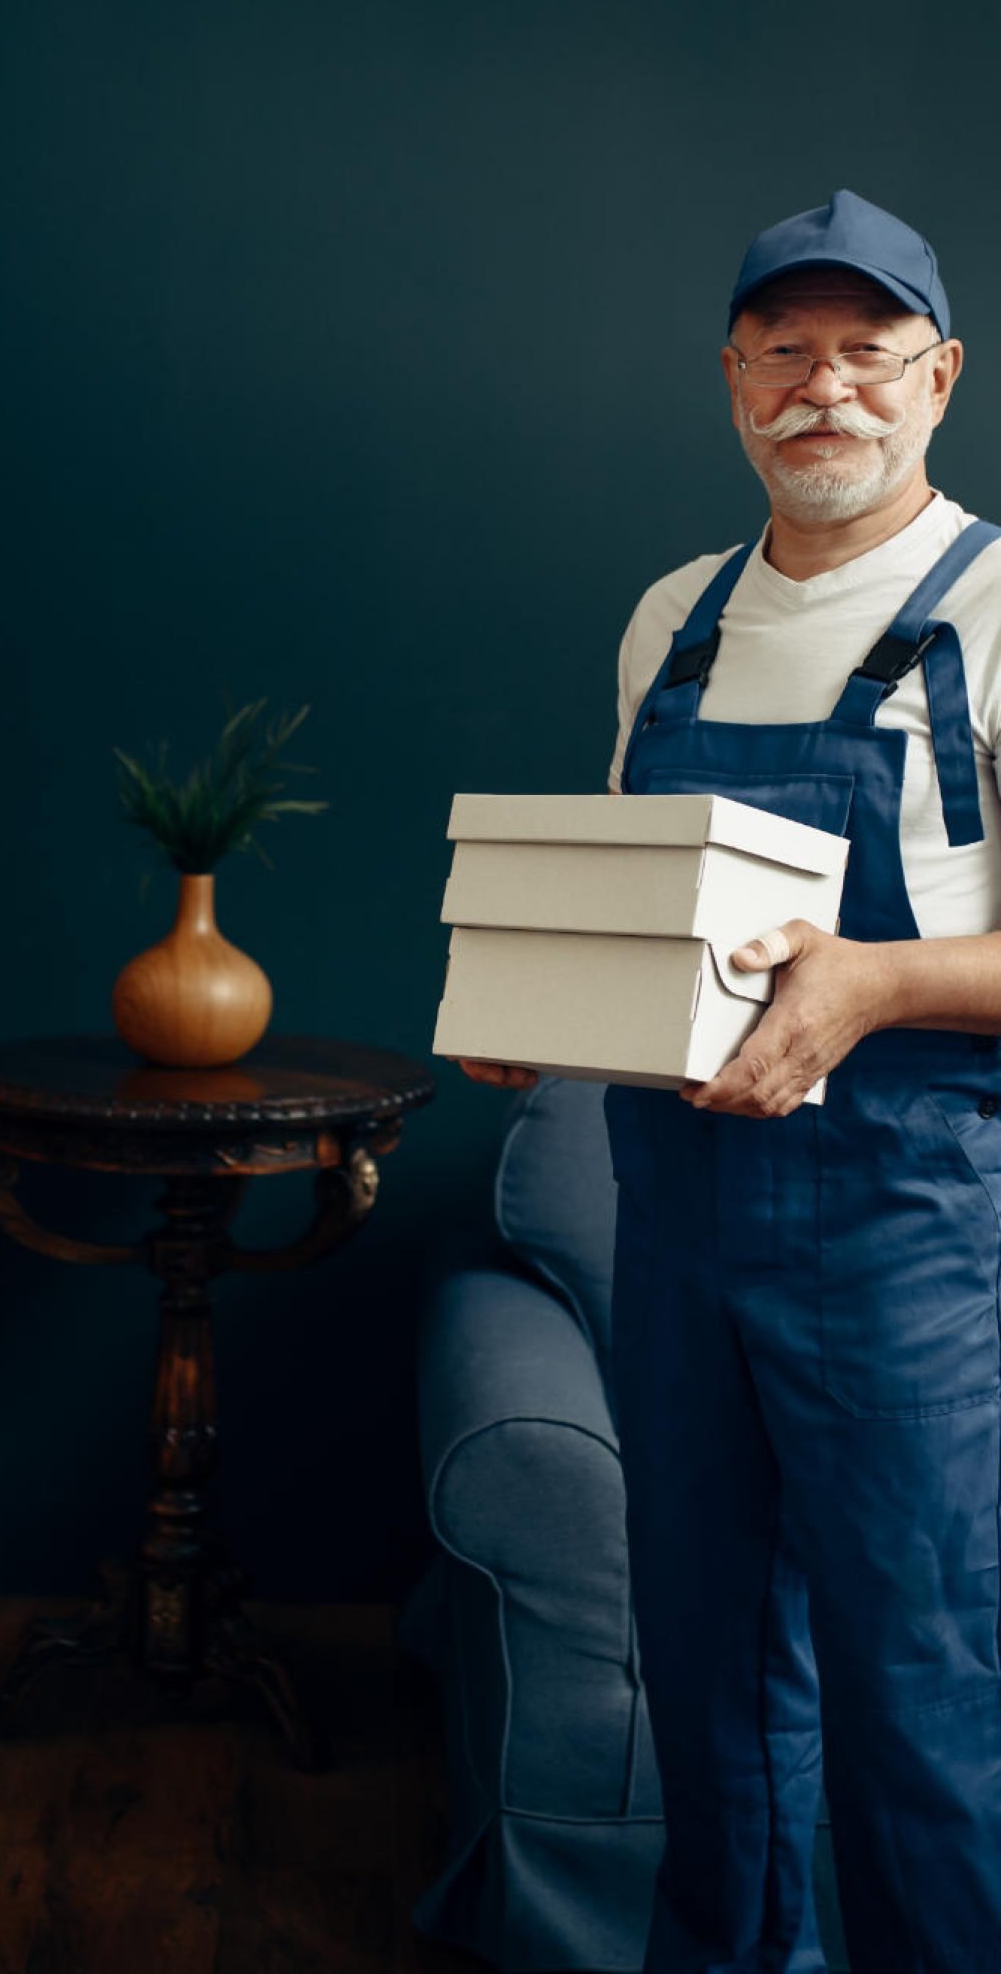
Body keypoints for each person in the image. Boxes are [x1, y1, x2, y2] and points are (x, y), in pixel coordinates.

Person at [455, 188, 1001, 1973]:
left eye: (865, 352)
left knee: (917, 1673)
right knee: (704, 1664)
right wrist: (543, 993)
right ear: (732, 379)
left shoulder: (992, 610)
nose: (822, 386)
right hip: (671, 1203)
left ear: (939, 380)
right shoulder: (670, 619)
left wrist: (877, 986)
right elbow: (642, 905)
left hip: (905, 1220)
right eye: (787, 349)